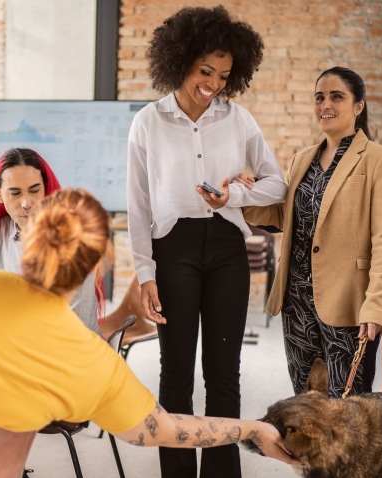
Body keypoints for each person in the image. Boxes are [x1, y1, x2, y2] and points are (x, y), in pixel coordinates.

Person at [0, 188, 296, 477]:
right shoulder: (83, 358)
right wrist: (254, 429)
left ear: (27, 236)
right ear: (99, 264)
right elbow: (165, 428)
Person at [127, 6, 287, 477]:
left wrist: (234, 194)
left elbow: (277, 185)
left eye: (223, 75)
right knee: (175, 376)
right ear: (180, 62)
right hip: (171, 250)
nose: (214, 83)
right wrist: (144, 273)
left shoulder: (238, 120)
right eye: (205, 71)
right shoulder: (147, 123)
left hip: (226, 251)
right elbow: (138, 205)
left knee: (224, 377)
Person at [241, 66, 382, 398]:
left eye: (336, 96)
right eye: (319, 97)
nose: (325, 104)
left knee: (349, 409)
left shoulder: (381, 160)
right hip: (297, 302)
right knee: (306, 404)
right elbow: (285, 216)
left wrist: (377, 305)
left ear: (358, 106)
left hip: (349, 303)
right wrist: (245, 194)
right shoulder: (303, 159)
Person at [0, 147, 100, 333]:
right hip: (21, 345)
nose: (26, 203)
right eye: (15, 193)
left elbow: (72, 323)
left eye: (34, 190)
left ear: (45, 189)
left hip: (70, 350)